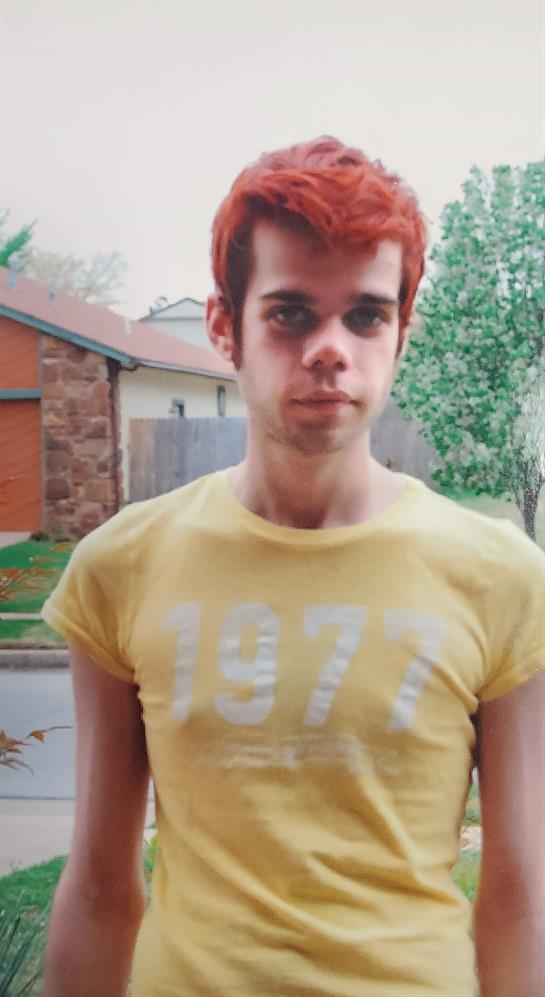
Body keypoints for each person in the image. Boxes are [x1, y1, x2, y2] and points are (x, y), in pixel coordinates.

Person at [41, 137, 544, 997]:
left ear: (401, 332)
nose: (329, 348)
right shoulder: (119, 567)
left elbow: (519, 896)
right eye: (289, 313)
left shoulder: (502, 578)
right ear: (223, 325)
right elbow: (97, 886)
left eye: (365, 315)